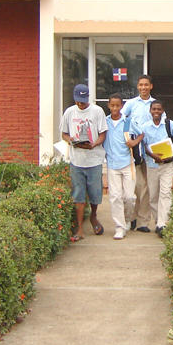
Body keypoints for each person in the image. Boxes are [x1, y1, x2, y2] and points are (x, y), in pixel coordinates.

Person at [60, 84, 107, 242]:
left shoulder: (97, 111)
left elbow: (102, 134)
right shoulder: (69, 112)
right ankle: (80, 229)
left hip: (94, 160)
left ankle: (93, 217)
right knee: (78, 194)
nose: (81, 104)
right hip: (77, 161)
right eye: (78, 101)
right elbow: (64, 134)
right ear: (74, 98)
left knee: (95, 194)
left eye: (83, 101)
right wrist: (71, 141)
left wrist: (94, 144)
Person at [138, 99, 173, 238]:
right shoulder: (145, 127)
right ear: (150, 111)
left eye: (159, 109)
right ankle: (158, 220)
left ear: (163, 111)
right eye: (154, 109)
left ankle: (163, 224)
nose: (156, 112)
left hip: (167, 165)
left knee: (166, 193)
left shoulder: (169, 124)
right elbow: (143, 145)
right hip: (152, 165)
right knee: (153, 196)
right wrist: (152, 155)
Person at [121, 74, 158, 232]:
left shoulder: (155, 104)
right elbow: (122, 120)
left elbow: (161, 123)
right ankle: (132, 217)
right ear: (138, 87)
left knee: (148, 187)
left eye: (146, 85)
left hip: (150, 149)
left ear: (151, 86)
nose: (143, 87)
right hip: (134, 150)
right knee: (137, 185)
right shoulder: (131, 104)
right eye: (141, 85)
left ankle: (143, 222)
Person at [103, 93, 140, 240]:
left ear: (122, 106)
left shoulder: (127, 122)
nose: (115, 108)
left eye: (118, 105)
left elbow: (141, 134)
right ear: (108, 106)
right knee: (115, 196)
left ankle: (128, 218)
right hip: (112, 164)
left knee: (129, 197)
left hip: (128, 163)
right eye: (112, 105)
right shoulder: (105, 122)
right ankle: (119, 226)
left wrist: (134, 142)